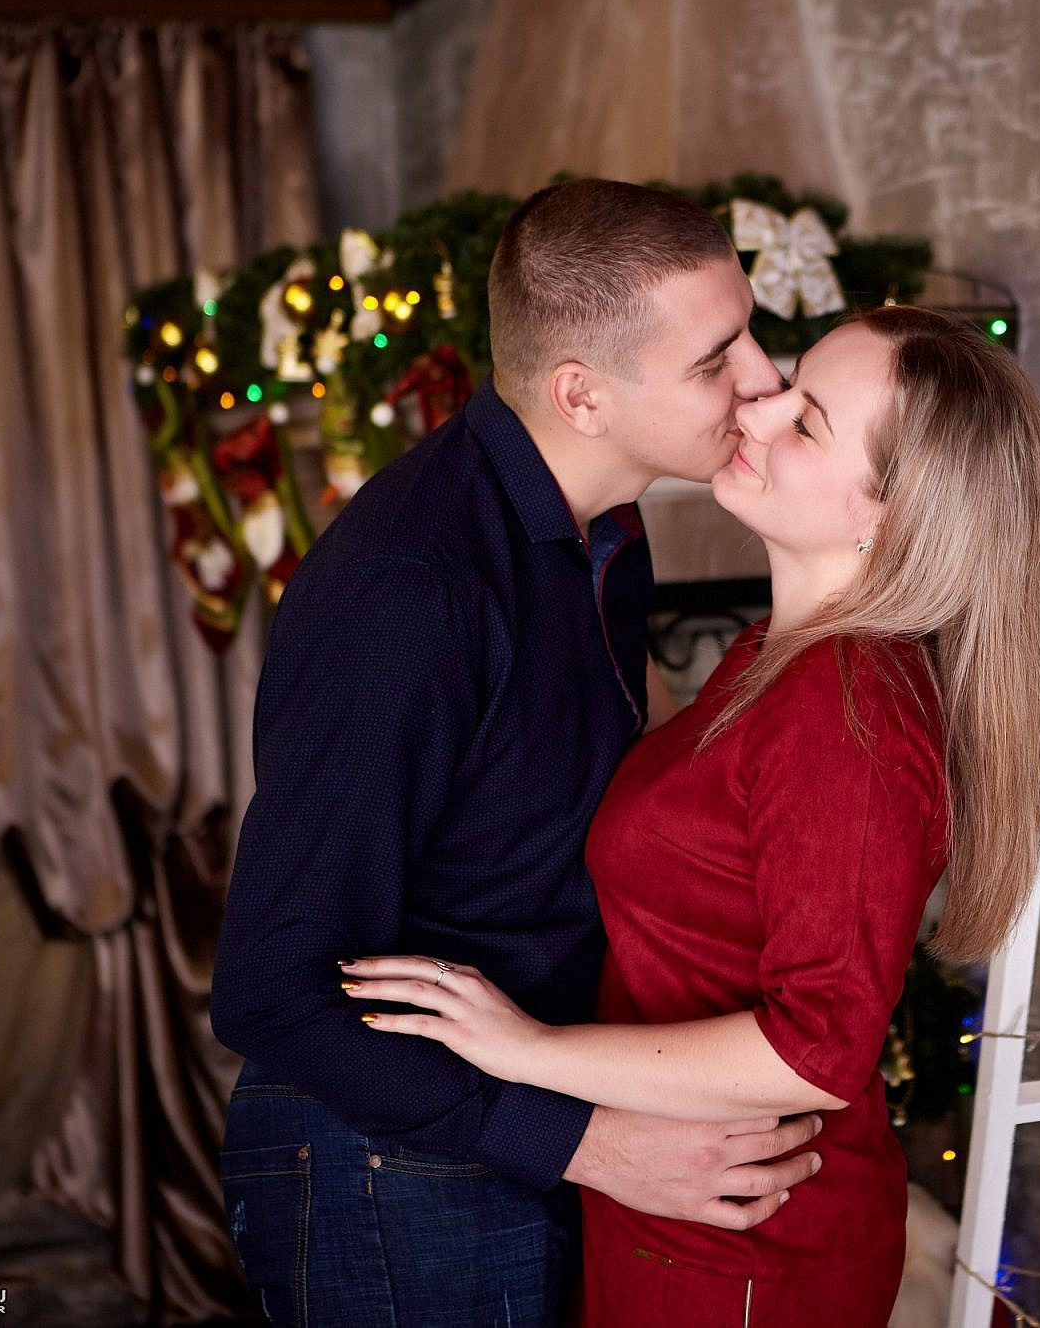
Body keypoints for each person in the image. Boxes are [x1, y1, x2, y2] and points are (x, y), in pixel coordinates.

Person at [343, 303, 1040, 1326]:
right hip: (684, 1208)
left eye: (805, 421)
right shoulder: (780, 655)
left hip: (751, 1241)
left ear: (889, 517)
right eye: (788, 381)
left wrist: (525, 1050)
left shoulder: (846, 704)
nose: (757, 406)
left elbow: (818, 1050)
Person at [209, 179, 828, 1328]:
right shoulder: (415, 588)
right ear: (580, 394)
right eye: (715, 358)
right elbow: (269, 986)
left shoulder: (606, 533)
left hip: (522, 1109)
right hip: (382, 1163)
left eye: (750, 329)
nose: (763, 377)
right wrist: (589, 1141)